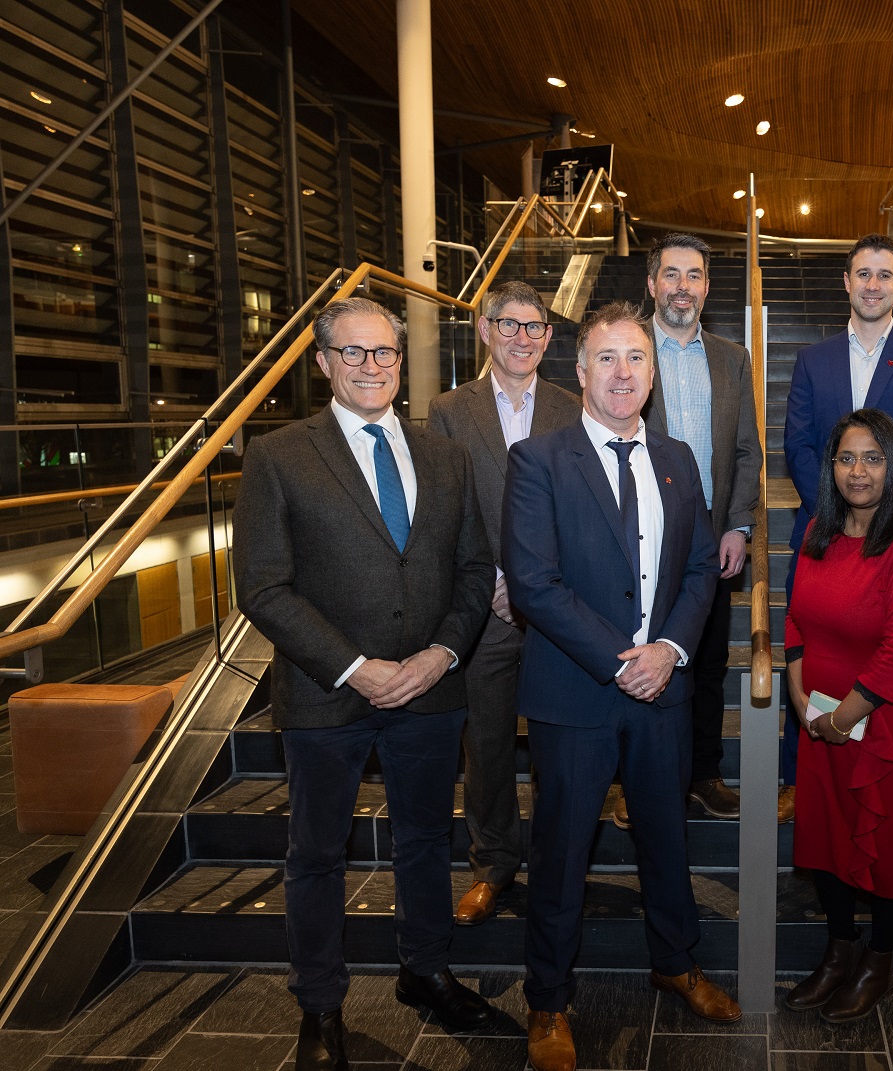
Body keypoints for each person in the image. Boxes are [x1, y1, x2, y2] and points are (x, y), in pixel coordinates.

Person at [233, 297, 497, 1071]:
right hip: (325, 696)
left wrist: (440, 655)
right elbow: (262, 586)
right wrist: (357, 666)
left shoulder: (444, 455)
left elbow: (476, 571)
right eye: (353, 353)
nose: (372, 365)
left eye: (384, 352)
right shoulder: (278, 456)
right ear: (323, 363)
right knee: (316, 854)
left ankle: (425, 970)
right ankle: (320, 1005)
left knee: (424, 841)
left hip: (429, 693)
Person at [502, 301, 734, 1071]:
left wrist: (667, 648)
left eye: (637, 357)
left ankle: (676, 961)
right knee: (562, 854)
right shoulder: (539, 460)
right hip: (575, 695)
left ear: (653, 370)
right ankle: (548, 1000)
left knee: (667, 840)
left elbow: (701, 566)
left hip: (661, 690)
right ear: (580, 370)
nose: (624, 372)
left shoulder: (677, 457)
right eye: (608, 358)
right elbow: (535, 585)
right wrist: (622, 659)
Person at [426, 280, 580, 927]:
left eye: (534, 326)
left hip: (555, 609)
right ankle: (492, 864)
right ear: (485, 330)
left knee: (557, 744)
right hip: (483, 607)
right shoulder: (448, 411)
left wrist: (534, 579)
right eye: (509, 325)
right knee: (485, 743)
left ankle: (555, 860)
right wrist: (489, 575)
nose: (522, 337)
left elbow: (584, 508)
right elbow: (445, 508)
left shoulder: (573, 407)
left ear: (548, 337)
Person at [781, 233, 893, 819]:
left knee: (889, 648)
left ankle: (892, 766)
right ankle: (796, 775)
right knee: (814, 647)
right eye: (863, 274)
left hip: (892, 534)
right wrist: (834, 505)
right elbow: (798, 444)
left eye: (884, 275)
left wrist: (883, 509)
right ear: (846, 282)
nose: (872, 284)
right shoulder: (813, 359)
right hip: (823, 530)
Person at [782, 409, 893, 1023]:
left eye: (873, 458)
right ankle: (839, 950)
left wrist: (843, 717)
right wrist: (801, 703)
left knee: (888, 841)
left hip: (885, 721)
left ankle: (879, 961)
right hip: (821, 715)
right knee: (825, 839)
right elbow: (794, 618)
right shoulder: (820, 528)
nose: (858, 470)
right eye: (847, 458)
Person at [612, 234, 763, 830]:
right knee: (636, 660)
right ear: (651, 285)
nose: (682, 286)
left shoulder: (732, 358)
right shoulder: (625, 348)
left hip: (712, 544)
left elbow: (748, 451)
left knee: (705, 664)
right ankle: (634, 781)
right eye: (670, 274)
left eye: (694, 275)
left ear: (706, 286)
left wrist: (739, 525)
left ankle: (703, 774)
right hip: (640, 536)